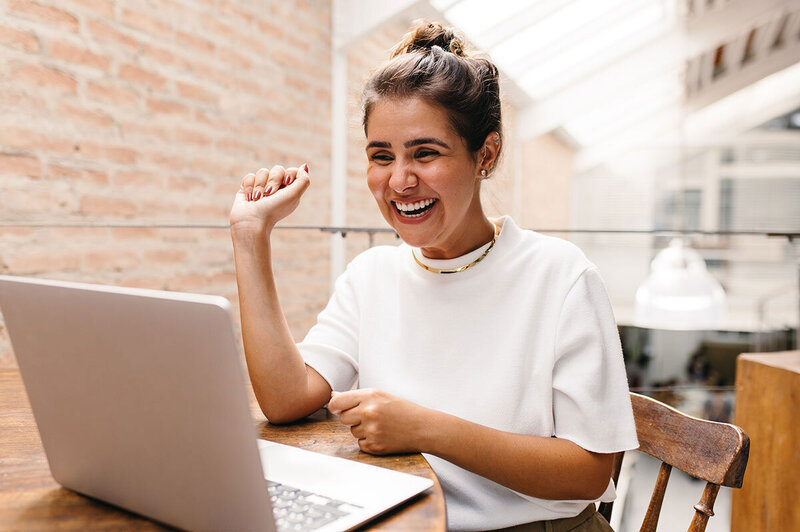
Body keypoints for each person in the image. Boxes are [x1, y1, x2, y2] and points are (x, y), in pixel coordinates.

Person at [229, 20, 638, 532]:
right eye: (382, 156)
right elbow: (286, 400)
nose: (400, 181)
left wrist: (425, 428)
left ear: (484, 155)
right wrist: (251, 236)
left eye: (425, 153)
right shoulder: (370, 275)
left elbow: (589, 473)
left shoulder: (561, 277)